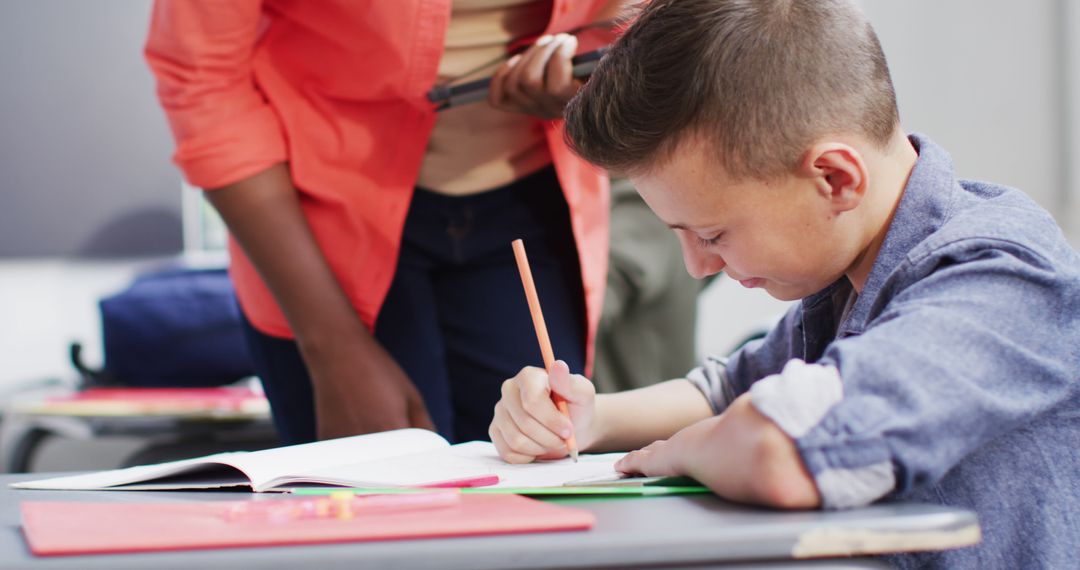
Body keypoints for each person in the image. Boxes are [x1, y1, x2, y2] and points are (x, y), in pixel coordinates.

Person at [487, 0, 1080, 567]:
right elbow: (731, 388)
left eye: (714, 234)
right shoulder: (851, 269)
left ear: (835, 179)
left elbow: (785, 449)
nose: (698, 266)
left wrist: (685, 448)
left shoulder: (1001, 279)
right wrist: (590, 419)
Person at [145, 1, 625, 445]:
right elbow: (202, 77)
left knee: (536, 486)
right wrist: (332, 348)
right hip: (320, 227)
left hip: (534, 206)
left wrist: (596, 87)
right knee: (374, 514)